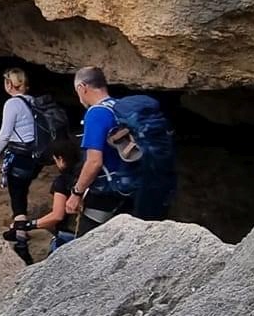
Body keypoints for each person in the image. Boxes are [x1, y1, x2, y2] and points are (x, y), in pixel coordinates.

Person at [62, 66, 175, 226]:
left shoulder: (96, 113)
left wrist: (76, 193)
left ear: (82, 87)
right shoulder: (120, 108)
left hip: (110, 191)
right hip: (134, 186)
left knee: (90, 238)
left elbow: (94, 162)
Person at [5, 138, 93, 258]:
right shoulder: (89, 176)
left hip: (69, 235)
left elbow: (57, 216)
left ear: (60, 159)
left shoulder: (62, 181)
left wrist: (28, 225)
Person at [0, 68, 42, 220]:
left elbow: (5, 134)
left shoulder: (12, 104)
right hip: (37, 154)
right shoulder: (34, 101)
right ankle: (19, 223)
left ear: (9, 84)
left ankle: (20, 229)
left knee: (17, 195)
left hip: (20, 155)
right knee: (23, 189)